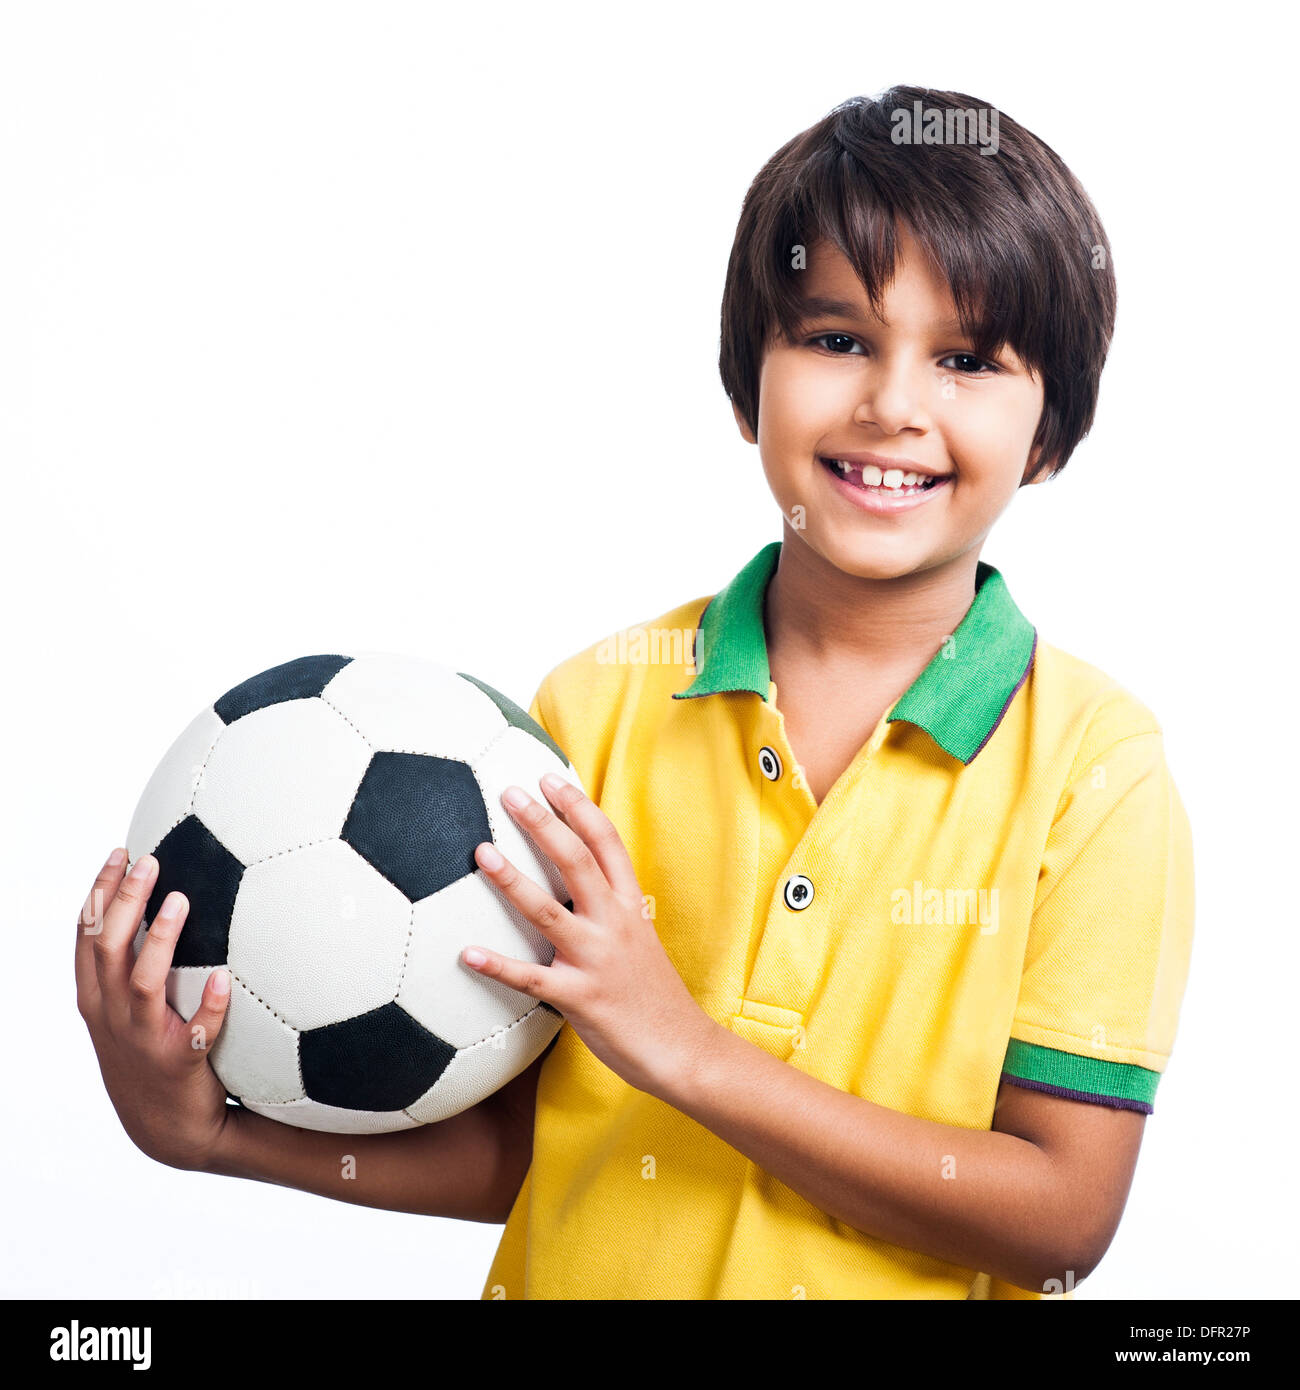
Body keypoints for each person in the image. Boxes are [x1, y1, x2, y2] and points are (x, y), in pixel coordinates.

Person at [77, 85, 1194, 1300]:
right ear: (744, 378)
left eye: (967, 359)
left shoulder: (1094, 769)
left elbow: (1061, 1212)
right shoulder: (593, 713)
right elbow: (548, 1144)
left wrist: (687, 1050)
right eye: (835, 339)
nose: (891, 405)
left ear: (1049, 430)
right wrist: (219, 1135)